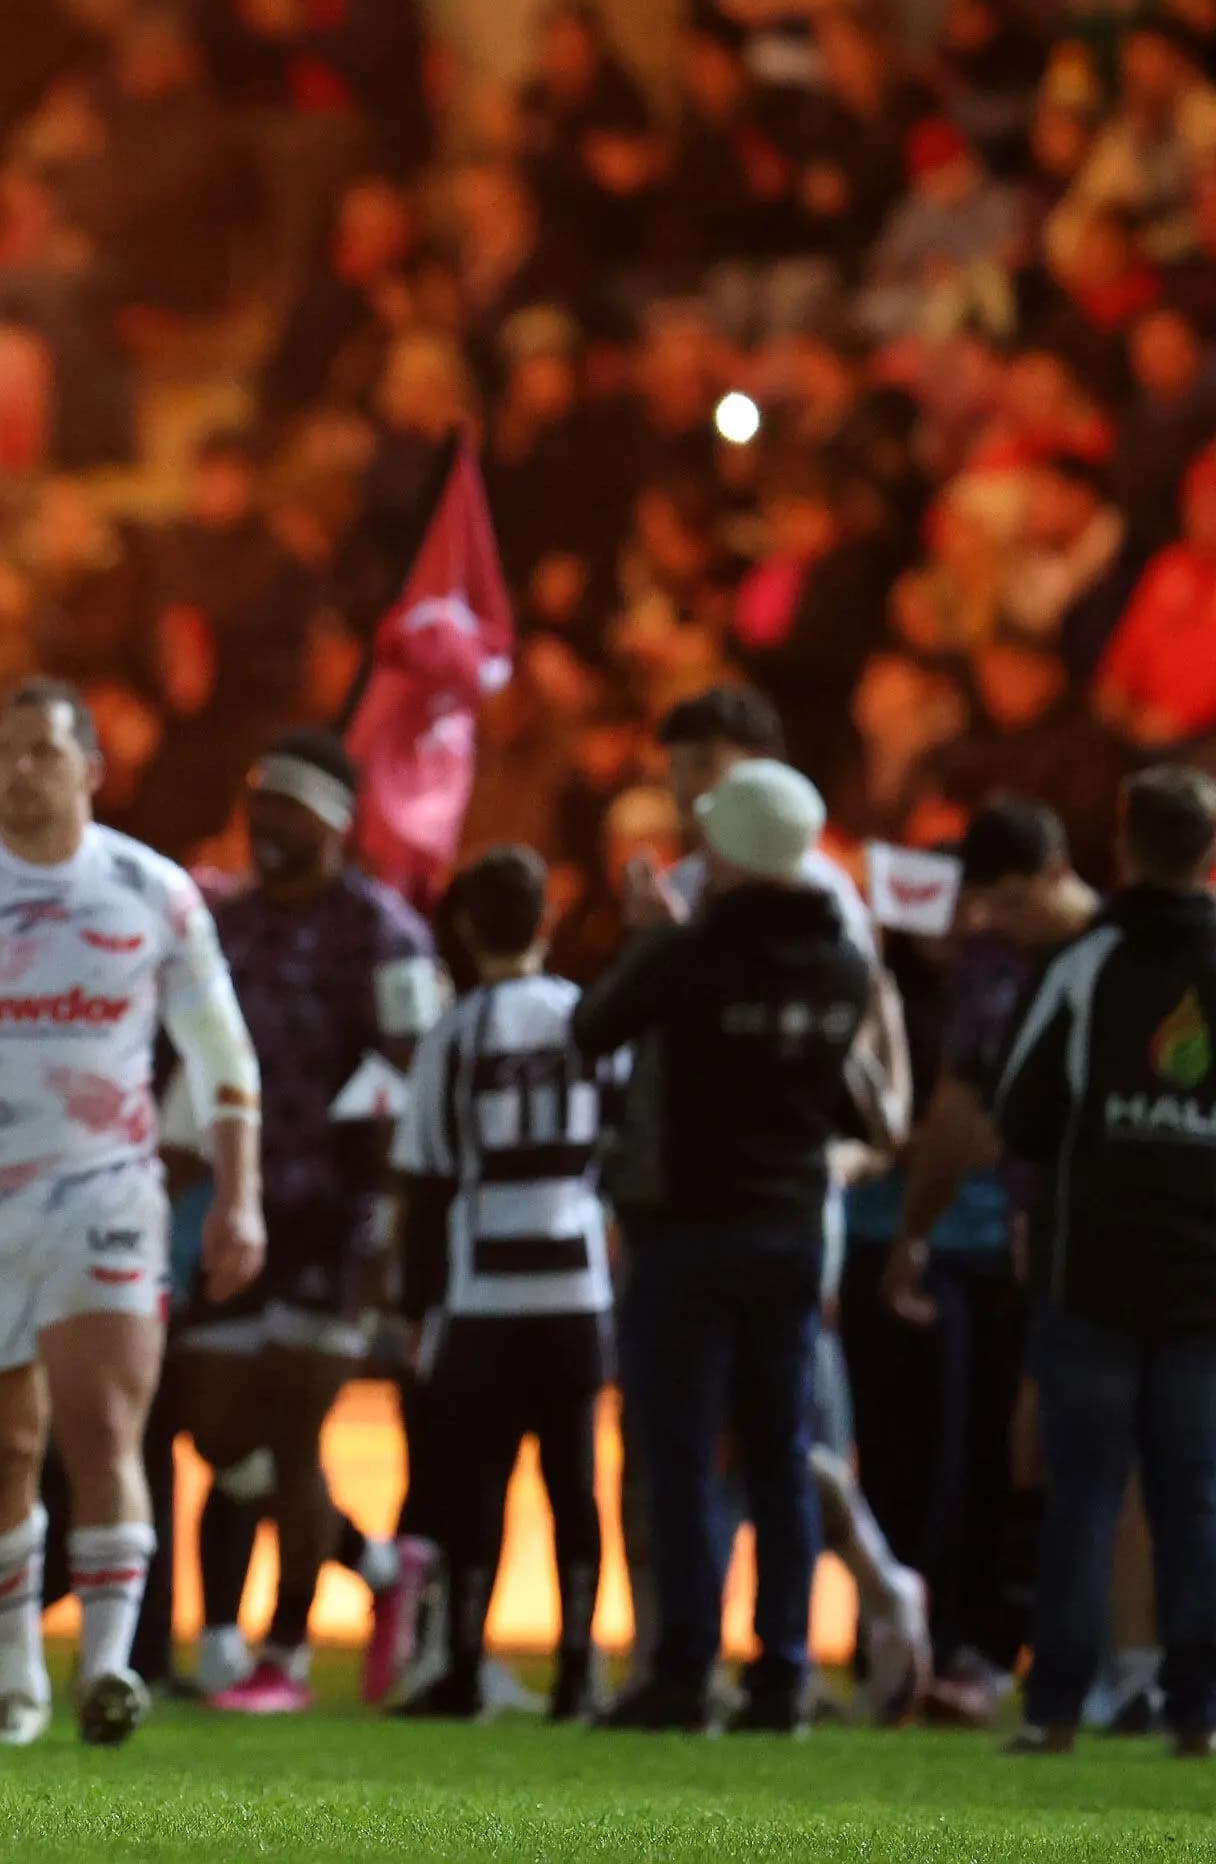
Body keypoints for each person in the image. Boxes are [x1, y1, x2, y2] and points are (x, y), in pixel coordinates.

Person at [0, 680, 264, 1748]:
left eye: (42, 750)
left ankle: (111, 1672)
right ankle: (20, 1678)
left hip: (107, 1194)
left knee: (107, 1429)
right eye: (7, 751)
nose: (21, 769)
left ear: (90, 769)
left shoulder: (152, 890)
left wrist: (240, 1197)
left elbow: (225, 1061)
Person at [892, 765, 1216, 1758]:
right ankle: (1197, 1714)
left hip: (1090, 1274)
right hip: (1206, 1285)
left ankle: (1059, 1707)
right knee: (1193, 1493)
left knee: (1081, 1493)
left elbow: (1020, 1108)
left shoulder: (1086, 965)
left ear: (1120, 847)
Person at [575, 760, 894, 1734]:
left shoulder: (689, 956)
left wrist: (646, 940)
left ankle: (684, 1670)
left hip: (687, 1231)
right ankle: (783, 1674)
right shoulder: (842, 963)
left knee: (678, 1454)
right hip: (793, 1228)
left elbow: (593, 1028)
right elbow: (853, 1099)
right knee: (781, 1455)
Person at [649, 685, 929, 1710]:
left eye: (707, 769)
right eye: (679, 772)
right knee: (741, 1437)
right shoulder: (691, 889)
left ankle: (861, 1608)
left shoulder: (823, 898)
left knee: (787, 1438)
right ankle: (716, 1655)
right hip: (704, 1198)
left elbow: (867, 1068)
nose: (690, 792)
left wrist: (846, 1159)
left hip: (786, 1209)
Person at [185, 728, 442, 1715]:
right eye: (256, 802)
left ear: (334, 821)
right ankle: (374, 1565)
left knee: (294, 1429)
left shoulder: (384, 934)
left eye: (285, 804)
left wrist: (392, 1227)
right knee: (213, 1418)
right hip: (241, 1202)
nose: (264, 823)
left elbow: (414, 1082)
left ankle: (283, 1655)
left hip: (343, 1214)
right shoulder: (229, 926)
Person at [859, 799, 1080, 1716]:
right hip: (940, 1238)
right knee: (925, 1461)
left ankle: (1001, 1649)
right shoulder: (912, 978)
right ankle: (925, 1644)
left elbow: (974, 1117)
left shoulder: (1056, 967)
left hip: (1023, 1243)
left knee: (1014, 1456)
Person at [386, 846, 614, 1722]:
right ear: (546, 922)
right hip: (575, 1288)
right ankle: (578, 1670)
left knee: (476, 1482)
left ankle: (466, 1666)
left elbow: (430, 1178)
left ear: (469, 930)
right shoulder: (587, 1016)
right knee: (574, 1482)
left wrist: (416, 1305)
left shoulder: (460, 1030)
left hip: (484, 1292)